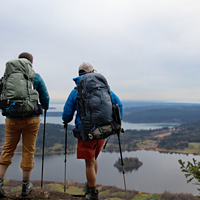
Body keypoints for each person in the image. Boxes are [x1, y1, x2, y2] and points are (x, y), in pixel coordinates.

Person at [62, 62, 123, 200]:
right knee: (93, 159)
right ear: (92, 71)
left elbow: (67, 113)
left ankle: (92, 193)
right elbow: (118, 104)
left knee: (89, 162)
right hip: (103, 131)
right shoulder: (104, 89)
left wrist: (66, 121)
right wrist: (117, 124)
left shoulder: (76, 91)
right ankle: (92, 187)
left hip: (86, 133)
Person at [0, 52, 50, 197]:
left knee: (7, 149)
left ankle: (0, 182)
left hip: (11, 119)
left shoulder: (7, 77)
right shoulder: (35, 76)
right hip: (31, 120)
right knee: (28, 150)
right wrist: (44, 107)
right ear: (30, 63)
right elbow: (45, 97)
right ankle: (25, 185)